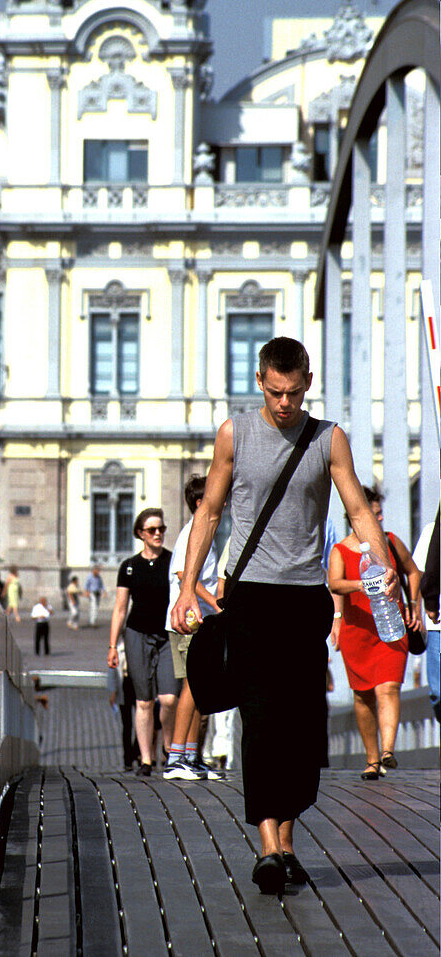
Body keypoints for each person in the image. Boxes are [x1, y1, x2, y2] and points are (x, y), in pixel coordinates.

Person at [172, 337, 399, 897]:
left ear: (308, 383)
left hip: (303, 597)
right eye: (275, 393)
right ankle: (270, 846)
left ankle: (288, 843)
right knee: (261, 716)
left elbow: (354, 505)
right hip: (248, 593)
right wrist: (186, 589)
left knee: (300, 724)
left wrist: (382, 556)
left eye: (294, 393)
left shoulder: (328, 438)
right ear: (259, 382)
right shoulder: (235, 433)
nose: (284, 405)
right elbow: (210, 510)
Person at [328, 486, 422, 779]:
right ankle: (372, 760)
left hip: (391, 625)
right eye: (373, 514)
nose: (379, 520)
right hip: (357, 630)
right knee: (363, 695)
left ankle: (388, 751)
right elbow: (334, 584)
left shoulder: (391, 542)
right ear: (356, 517)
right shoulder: (340, 550)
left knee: (388, 687)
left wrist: (413, 604)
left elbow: (414, 571)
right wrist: (357, 587)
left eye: (380, 514)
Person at [108, 507, 180, 777]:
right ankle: (147, 760)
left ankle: (168, 746)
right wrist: (113, 645)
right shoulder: (130, 566)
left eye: (161, 528)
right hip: (137, 635)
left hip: (166, 636)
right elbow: (119, 608)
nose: (158, 533)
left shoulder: (173, 562)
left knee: (170, 698)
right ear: (141, 534)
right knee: (144, 701)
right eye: (152, 530)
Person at [163, 474, 223, 781]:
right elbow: (186, 575)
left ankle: (190, 754)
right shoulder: (192, 533)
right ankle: (176, 757)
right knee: (191, 685)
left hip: (200, 619)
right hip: (188, 620)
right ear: (201, 503)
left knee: (200, 686)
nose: (224, 502)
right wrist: (215, 601)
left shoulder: (206, 533)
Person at [415, 509, 440, 721]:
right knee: (438, 692)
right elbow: (420, 573)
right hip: (438, 624)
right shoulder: (431, 531)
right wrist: (417, 609)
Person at [107, 638, 139, 770]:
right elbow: (112, 671)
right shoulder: (118, 648)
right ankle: (127, 756)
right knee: (127, 724)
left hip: (137, 684)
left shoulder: (139, 646)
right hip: (123, 685)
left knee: (141, 721)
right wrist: (112, 691)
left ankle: (137, 751)